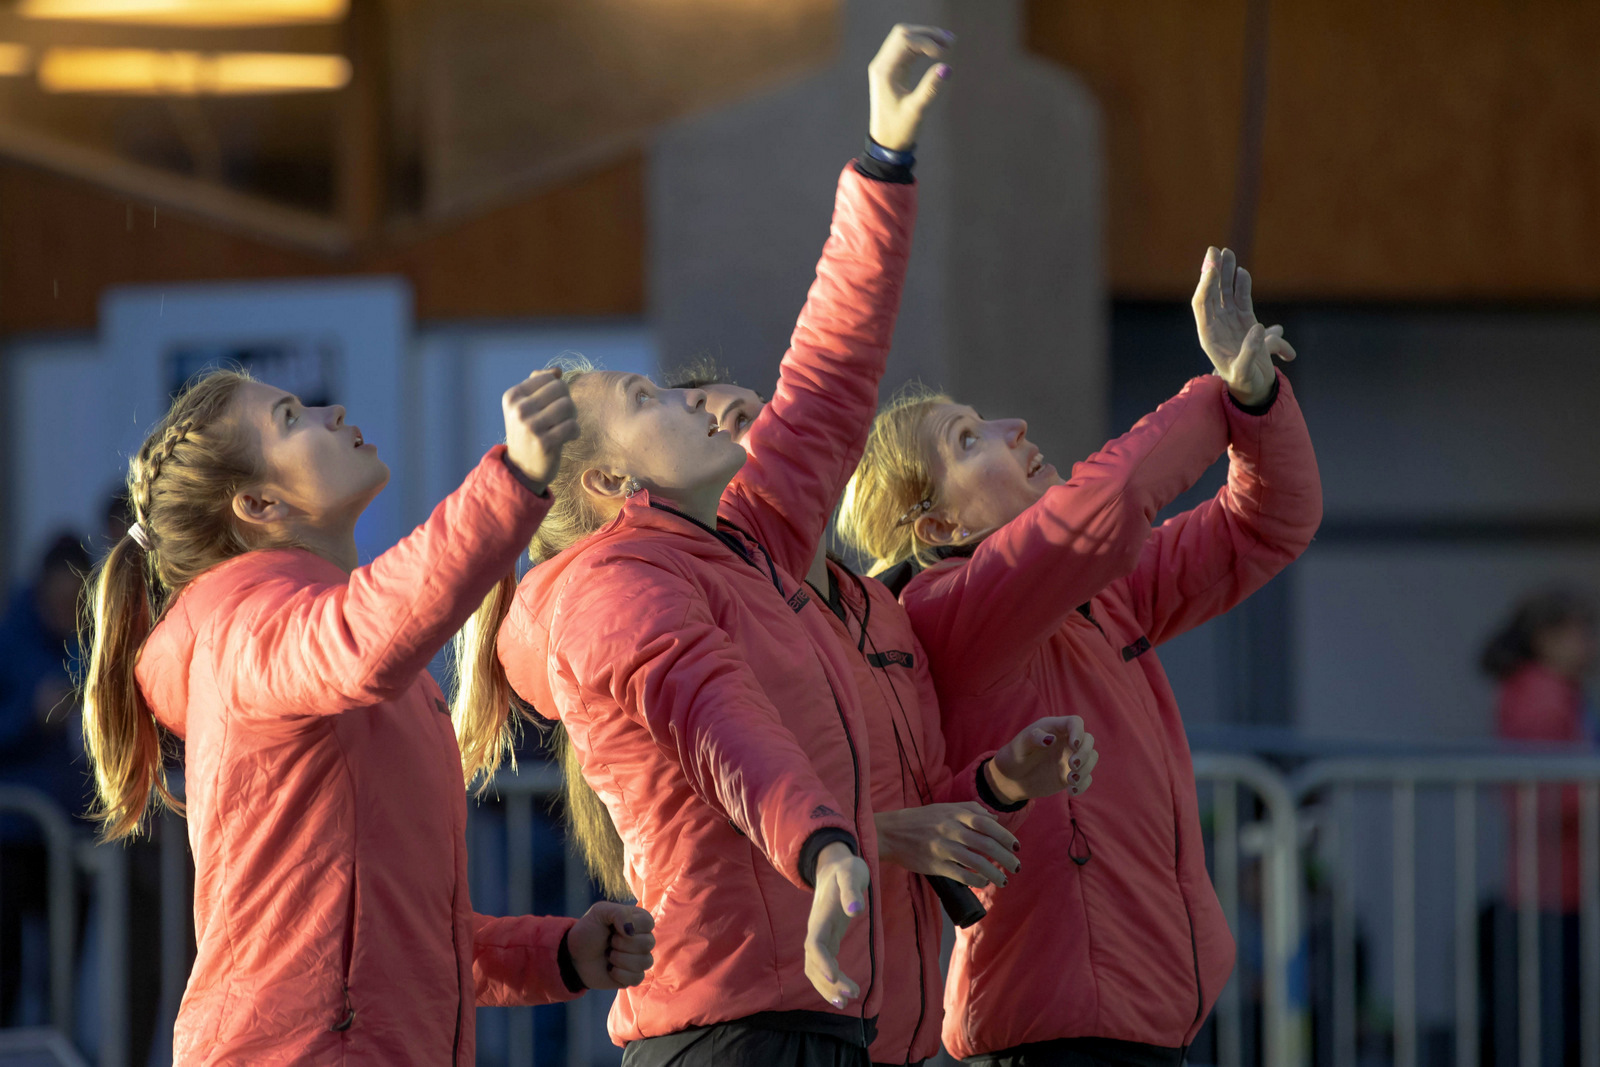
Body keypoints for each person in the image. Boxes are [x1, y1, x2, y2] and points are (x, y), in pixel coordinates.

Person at [455, 25, 970, 1066]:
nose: (691, 398)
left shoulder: (745, 541)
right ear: (610, 482)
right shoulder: (611, 583)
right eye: (644, 398)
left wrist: (882, 157)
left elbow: (826, 376)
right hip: (726, 1034)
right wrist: (823, 844)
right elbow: (719, 717)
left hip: (811, 1020)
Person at [79, 366, 654, 1066]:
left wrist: (558, 953)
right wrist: (515, 479)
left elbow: (395, 938)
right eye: (291, 417)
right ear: (259, 502)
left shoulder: (317, 627)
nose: (332, 410)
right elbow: (362, 639)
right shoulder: (245, 627)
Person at [837, 247, 1323, 1067]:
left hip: (1130, 1024)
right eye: (968, 439)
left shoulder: (1092, 595)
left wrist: (1261, 401)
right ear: (938, 530)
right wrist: (1223, 389)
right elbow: (1110, 498)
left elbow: (1269, 524)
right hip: (1055, 1035)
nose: (1012, 427)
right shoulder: (945, 606)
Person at [666, 361, 1100, 1067]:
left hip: (892, 1034)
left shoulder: (878, 609)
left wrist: (1002, 780)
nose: (772, 426)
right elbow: (710, 839)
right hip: (766, 1029)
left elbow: (924, 808)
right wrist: (882, 837)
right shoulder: (713, 610)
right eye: (736, 423)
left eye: (764, 408)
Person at [1481, 585, 1597, 1067]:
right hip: (1551, 890)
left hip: (1561, 887)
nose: (1590, 643)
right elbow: (1552, 794)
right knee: (1550, 1028)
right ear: (1547, 637)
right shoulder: (1540, 695)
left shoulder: (1554, 693)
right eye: (1581, 631)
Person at [0, 532, 93, 1025]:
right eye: (58, 601)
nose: (65, 612)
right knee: (7, 970)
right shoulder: (10, 640)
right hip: (13, 836)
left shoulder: (90, 640)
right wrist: (30, 714)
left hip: (71, 834)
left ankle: (62, 1041)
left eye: (73, 603)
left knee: (65, 973)